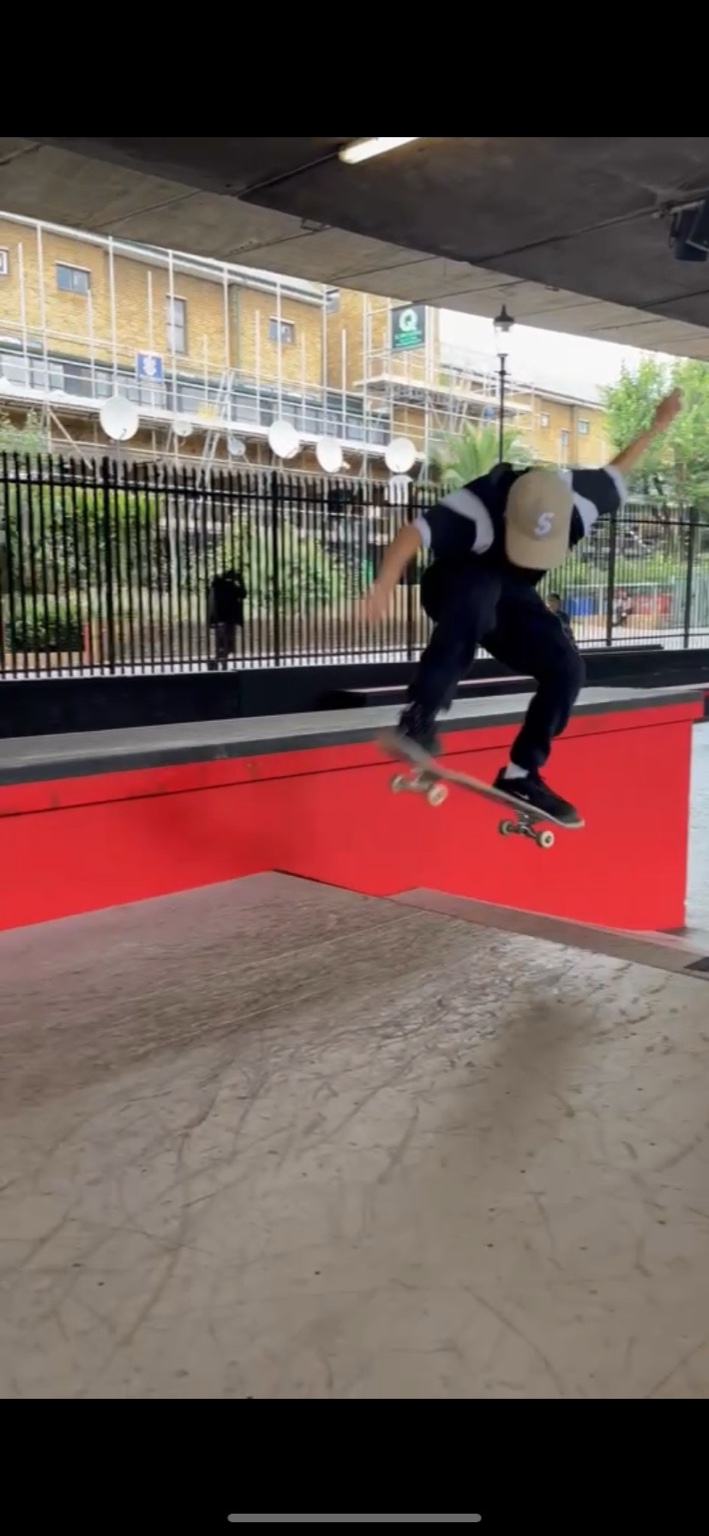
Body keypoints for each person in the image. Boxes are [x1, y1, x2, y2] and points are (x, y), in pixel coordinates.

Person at [364, 388, 683, 826]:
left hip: (512, 596)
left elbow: (618, 469)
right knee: (480, 593)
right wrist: (383, 584)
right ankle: (419, 717)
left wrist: (658, 425)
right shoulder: (477, 507)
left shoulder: (581, 501)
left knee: (567, 667)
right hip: (453, 585)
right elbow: (412, 533)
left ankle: (521, 774)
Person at [207, 567, 247, 670]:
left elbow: (211, 602)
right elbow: (243, 594)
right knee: (228, 644)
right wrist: (241, 581)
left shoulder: (216, 585)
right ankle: (218, 662)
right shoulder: (230, 586)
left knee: (222, 644)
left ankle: (219, 663)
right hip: (228, 619)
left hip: (219, 619)